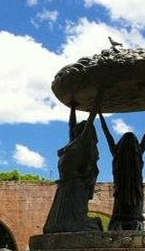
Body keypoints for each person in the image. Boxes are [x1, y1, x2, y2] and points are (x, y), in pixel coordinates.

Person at [44, 100, 102, 234]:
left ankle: (94, 223)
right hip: (65, 185)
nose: (76, 127)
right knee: (57, 224)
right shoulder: (73, 142)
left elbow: (90, 120)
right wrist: (73, 108)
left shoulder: (82, 142)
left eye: (81, 126)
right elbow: (71, 125)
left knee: (74, 220)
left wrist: (97, 99)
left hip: (75, 185)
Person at [99, 110, 145, 230]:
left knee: (119, 211)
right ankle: (136, 221)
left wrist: (99, 114)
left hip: (121, 191)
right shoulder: (138, 151)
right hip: (135, 191)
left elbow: (107, 134)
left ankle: (119, 222)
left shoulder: (116, 152)